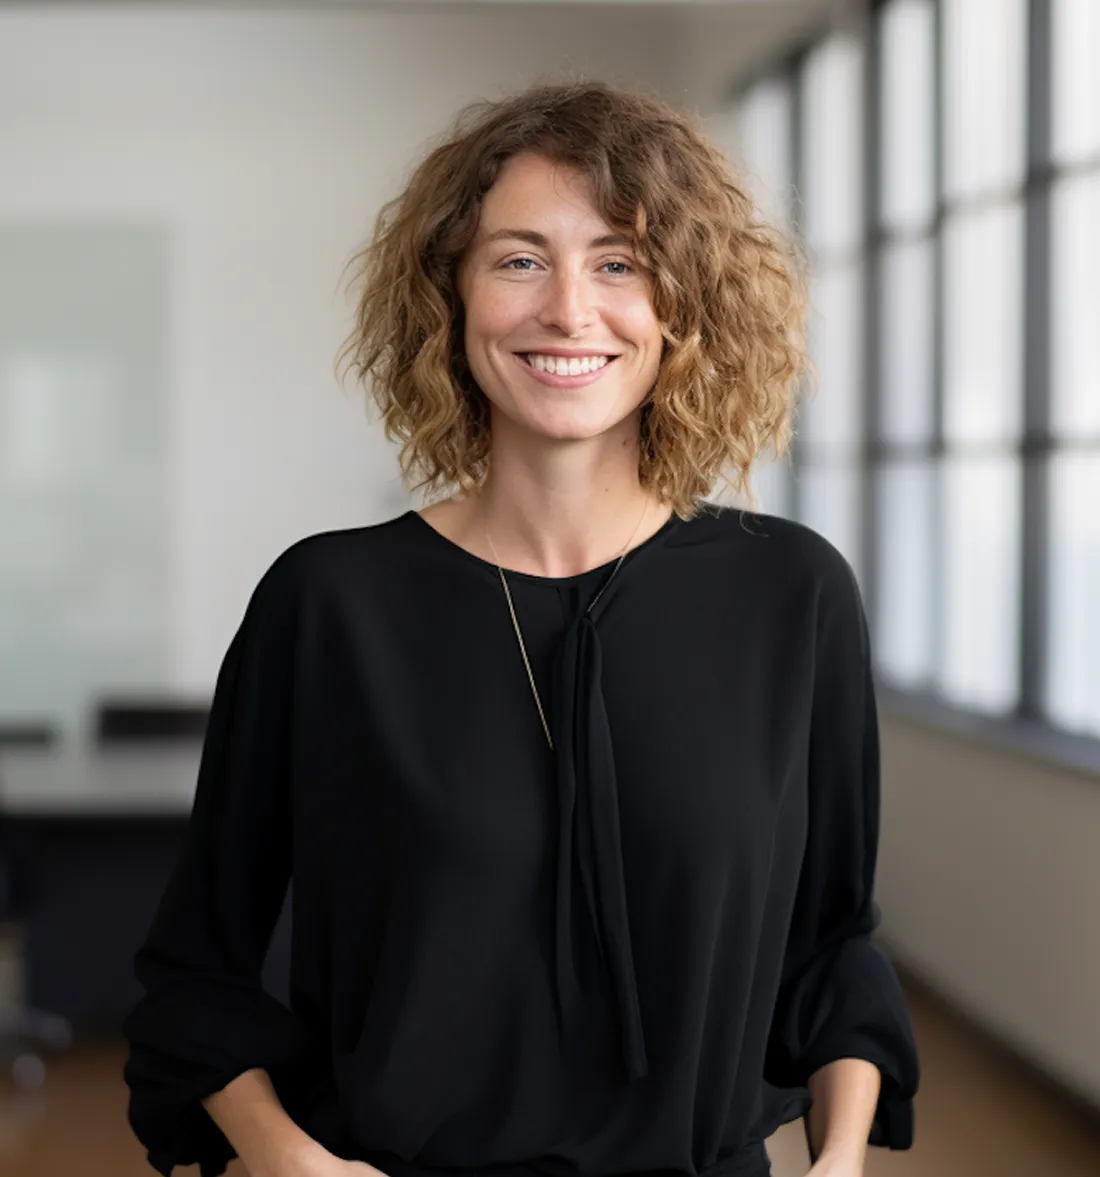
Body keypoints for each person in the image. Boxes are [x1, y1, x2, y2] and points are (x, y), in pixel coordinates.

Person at [122, 81, 919, 1177]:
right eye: (517, 259)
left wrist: (835, 1166)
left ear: (682, 305)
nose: (568, 311)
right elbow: (199, 965)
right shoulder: (325, 607)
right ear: (446, 296)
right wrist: (291, 1164)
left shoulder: (791, 596)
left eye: (617, 262)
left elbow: (831, 946)